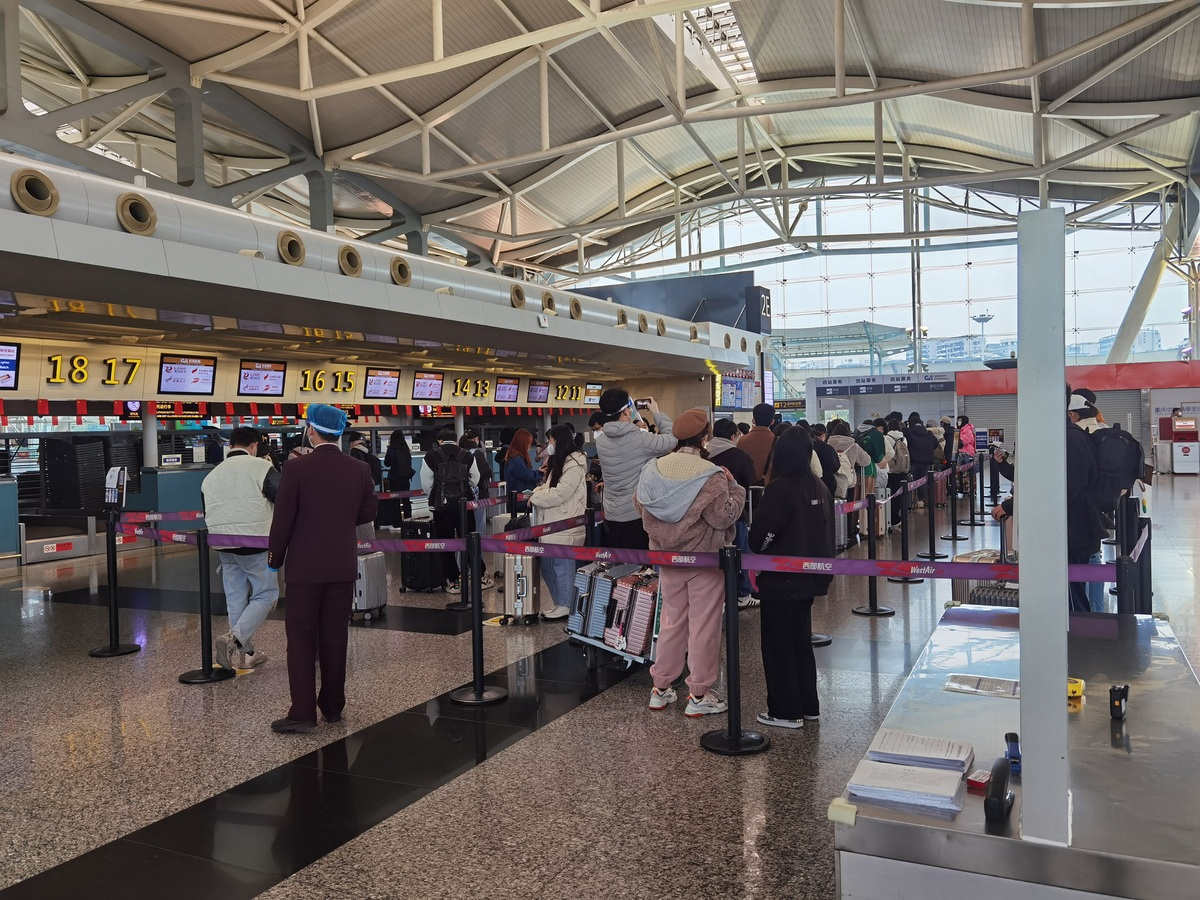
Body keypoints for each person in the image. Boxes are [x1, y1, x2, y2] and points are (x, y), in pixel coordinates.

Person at [267, 404, 378, 733]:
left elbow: (283, 519)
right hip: (342, 565)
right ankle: (332, 706)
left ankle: (302, 712)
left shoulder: (296, 469)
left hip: (304, 568)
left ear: (311, 431)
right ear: (340, 433)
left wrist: (275, 558)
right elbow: (367, 513)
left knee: (301, 639)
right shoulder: (359, 469)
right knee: (335, 636)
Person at [636, 409, 744, 717]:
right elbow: (723, 516)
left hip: (667, 559)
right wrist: (735, 489)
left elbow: (640, 506)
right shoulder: (712, 474)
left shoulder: (652, 469)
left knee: (671, 622)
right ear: (704, 437)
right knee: (703, 626)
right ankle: (698, 692)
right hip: (703, 560)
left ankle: (660, 688)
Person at [749, 428, 834, 728]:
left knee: (778, 645)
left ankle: (785, 711)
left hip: (781, 580)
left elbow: (761, 538)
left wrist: (759, 547)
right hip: (811, 579)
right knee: (800, 642)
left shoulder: (780, 489)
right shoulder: (819, 486)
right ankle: (809, 705)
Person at [202, 426, 281, 671]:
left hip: (223, 544)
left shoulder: (212, 475)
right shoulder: (261, 467)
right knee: (266, 595)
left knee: (235, 597)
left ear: (230, 445)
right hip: (256, 543)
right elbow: (283, 498)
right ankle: (234, 639)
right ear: (254, 446)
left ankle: (247, 655)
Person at [594, 388, 676, 549]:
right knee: (641, 562)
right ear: (626, 411)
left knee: (620, 561)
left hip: (611, 514)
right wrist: (656, 412)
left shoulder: (601, 441)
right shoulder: (640, 439)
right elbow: (672, 439)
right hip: (636, 514)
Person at [529, 423, 587, 621]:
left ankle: (566, 604)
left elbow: (562, 493)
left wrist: (536, 497)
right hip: (551, 523)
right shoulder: (560, 461)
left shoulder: (575, 463)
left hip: (565, 523)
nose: (549, 445)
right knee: (548, 567)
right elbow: (548, 487)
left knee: (562, 568)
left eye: (551, 440)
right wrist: (537, 493)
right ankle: (560, 602)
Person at [422, 427, 482, 593]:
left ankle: (452, 580)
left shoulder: (430, 456)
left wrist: (436, 495)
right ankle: (478, 576)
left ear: (439, 441)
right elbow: (475, 478)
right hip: (465, 505)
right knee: (470, 540)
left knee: (445, 543)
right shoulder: (467, 455)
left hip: (441, 507)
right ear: (456, 439)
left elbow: (426, 484)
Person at [708, 418, 758, 607]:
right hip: (735, 511)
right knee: (741, 552)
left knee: (716, 556)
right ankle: (743, 593)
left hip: (709, 514)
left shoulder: (705, 455)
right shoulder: (739, 456)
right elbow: (750, 479)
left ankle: (721, 595)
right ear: (732, 436)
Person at [739, 403, 777, 484]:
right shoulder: (777, 441)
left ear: (753, 420)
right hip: (770, 487)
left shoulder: (741, 441)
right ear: (772, 421)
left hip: (748, 488)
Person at [503, 428, 540, 498]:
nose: (530, 446)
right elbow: (526, 475)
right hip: (520, 496)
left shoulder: (514, 456)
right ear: (523, 443)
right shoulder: (516, 459)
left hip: (519, 493)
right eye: (529, 443)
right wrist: (540, 473)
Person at [810, 424, 840, 498]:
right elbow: (836, 466)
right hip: (828, 482)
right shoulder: (828, 448)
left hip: (812, 483)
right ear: (824, 435)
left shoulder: (808, 447)